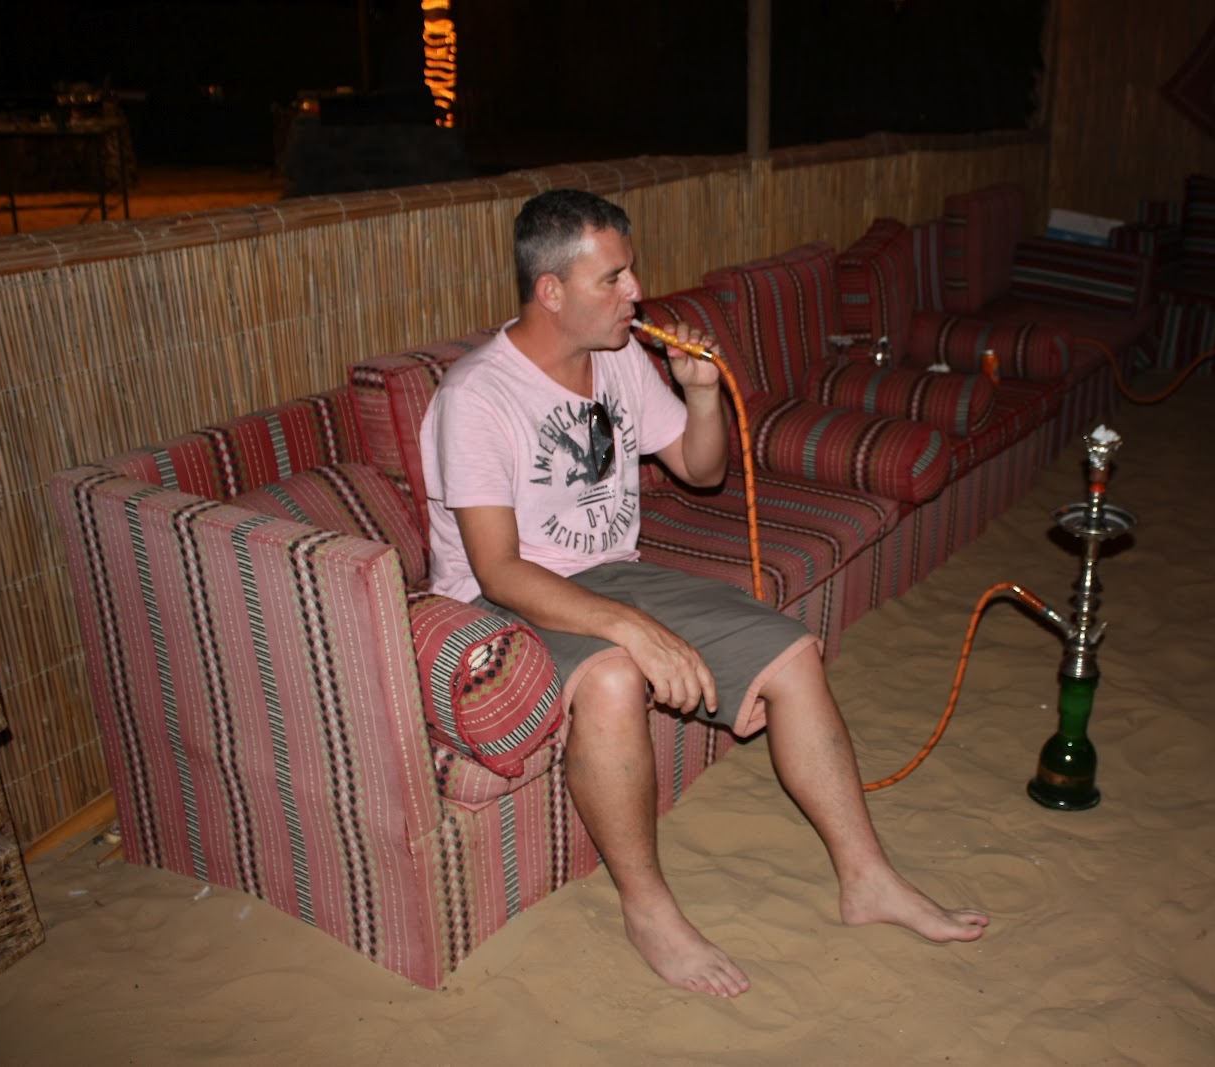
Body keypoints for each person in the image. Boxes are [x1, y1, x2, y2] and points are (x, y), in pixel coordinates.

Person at [419, 189, 988, 997]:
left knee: (792, 654)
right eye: (613, 278)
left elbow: (701, 468)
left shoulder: (619, 355)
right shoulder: (477, 396)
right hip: (500, 603)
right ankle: (647, 908)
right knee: (614, 677)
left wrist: (701, 392)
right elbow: (498, 569)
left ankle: (868, 879)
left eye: (631, 270)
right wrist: (631, 630)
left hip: (609, 574)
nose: (637, 291)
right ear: (551, 291)